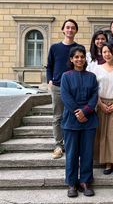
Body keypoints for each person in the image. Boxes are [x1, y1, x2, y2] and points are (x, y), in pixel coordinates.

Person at [60, 46, 98, 198]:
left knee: (87, 153)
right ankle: (71, 183)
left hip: (89, 120)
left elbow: (95, 96)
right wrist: (78, 111)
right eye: (76, 57)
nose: (79, 59)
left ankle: (85, 182)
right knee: (71, 154)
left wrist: (86, 111)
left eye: (82, 57)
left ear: (85, 59)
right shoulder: (66, 76)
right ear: (71, 59)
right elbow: (65, 96)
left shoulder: (91, 77)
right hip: (71, 120)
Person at [46, 19, 84, 159]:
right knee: (58, 116)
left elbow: (82, 65)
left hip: (74, 87)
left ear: (76, 31)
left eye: (72, 28)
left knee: (73, 114)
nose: (70, 30)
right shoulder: (55, 48)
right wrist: (49, 80)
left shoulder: (79, 47)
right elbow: (49, 66)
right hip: (57, 86)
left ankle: (71, 144)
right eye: (67, 27)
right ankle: (58, 145)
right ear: (63, 30)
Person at [90, 42, 113, 175]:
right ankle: (106, 162)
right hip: (101, 103)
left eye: (109, 51)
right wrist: (100, 104)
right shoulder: (96, 69)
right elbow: (94, 89)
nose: (107, 54)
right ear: (102, 53)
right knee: (103, 133)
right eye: (104, 51)